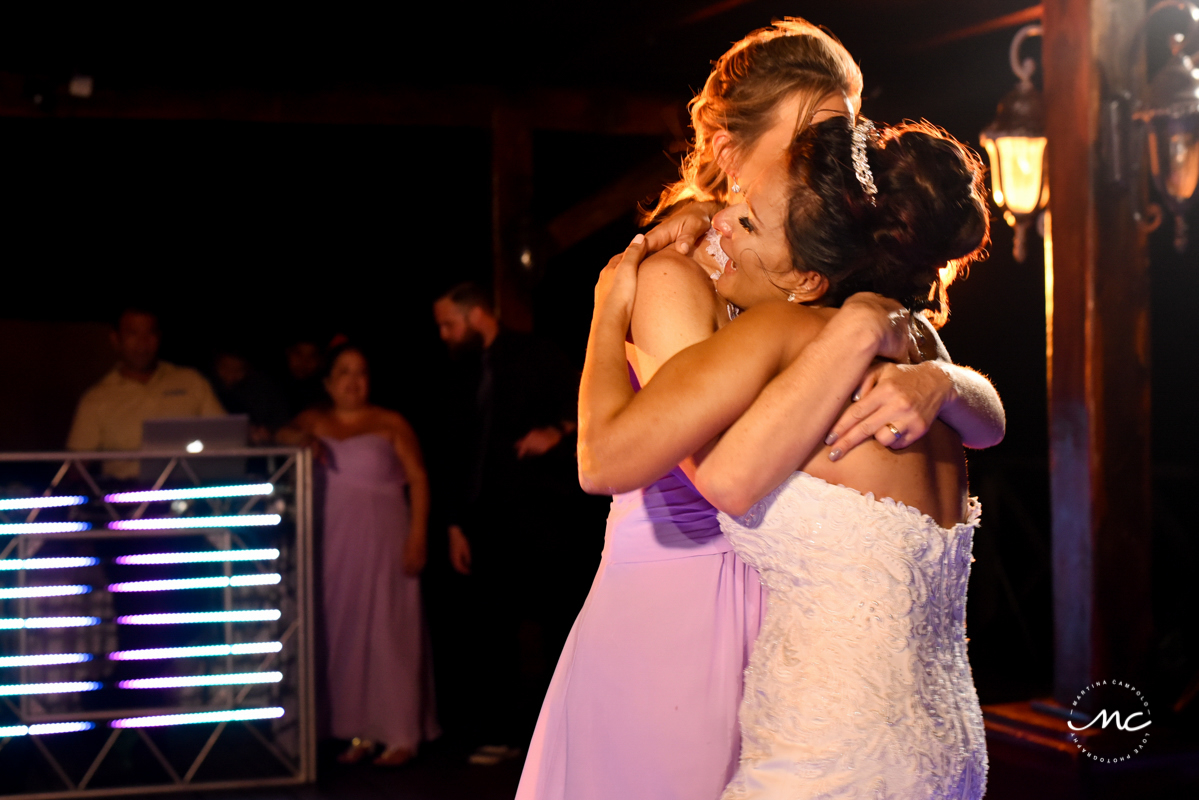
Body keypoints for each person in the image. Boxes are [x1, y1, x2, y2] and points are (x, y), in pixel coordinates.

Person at [516, 18, 1003, 800]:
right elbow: (699, 465)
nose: (840, 154)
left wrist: (938, 378)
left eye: (847, 131)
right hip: (690, 602)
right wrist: (618, 297)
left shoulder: (820, 284)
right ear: (729, 145)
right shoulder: (692, 277)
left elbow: (975, 407)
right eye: (817, 130)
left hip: (796, 606)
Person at [432, 282, 593, 764]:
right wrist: (455, 524)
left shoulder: (536, 353)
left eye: (448, 324)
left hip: (541, 513)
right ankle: (502, 735)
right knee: (491, 630)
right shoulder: (460, 373)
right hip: (486, 520)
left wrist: (556, 432)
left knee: (554, 624)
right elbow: (456, 453)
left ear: (477, 314)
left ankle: (563, 737)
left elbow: (583, 407)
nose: (443, 334)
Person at [277, 343, 438, 766]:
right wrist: (303, 438)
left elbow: (419, 478)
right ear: (328, 382)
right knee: (341, 629)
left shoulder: (390, 422)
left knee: (388, 632)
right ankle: (357, 732)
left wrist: (417, 536)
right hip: (332, 542)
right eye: (344, 372)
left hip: (384, 538)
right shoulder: (313, 420)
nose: (354, 381)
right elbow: (273, 437)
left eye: (361, 372)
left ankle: (400, 733)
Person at [67, 307, 225, 479]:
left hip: (189, 492)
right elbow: (76, 466)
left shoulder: (192, 381)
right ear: (116, 339)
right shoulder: (96, 398)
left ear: (159, 337)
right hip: (126, 499)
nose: (142, 343)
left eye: (149, 333)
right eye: (133, 334)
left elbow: (226, 437)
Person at [210, 348, 290, 444]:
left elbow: (279, 421)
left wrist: (269, 431)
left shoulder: (261, 390)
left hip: (258, 450)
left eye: (237, 370)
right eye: (225, 368)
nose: (230, 375)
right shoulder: (207, 388)